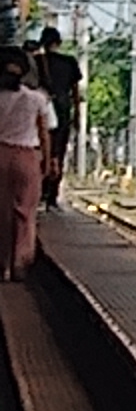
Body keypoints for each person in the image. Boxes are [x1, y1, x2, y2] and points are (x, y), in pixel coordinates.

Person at [0, 51, 50, 277]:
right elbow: (44, 132)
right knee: (25, 211)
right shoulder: (37, 98)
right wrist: (47, 161)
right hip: (26, 156)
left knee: (2, 211)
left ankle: (3, 264)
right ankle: (21, 261)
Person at [33, 28, 77, 204]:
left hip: (41, 109)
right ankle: (52, 194)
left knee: (41, 150)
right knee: (59, 152)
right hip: (63, 110)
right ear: (58, 43)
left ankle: (41, 189)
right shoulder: (70, 62)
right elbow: (75, 91)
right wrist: (78, 114)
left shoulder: (36, 62)